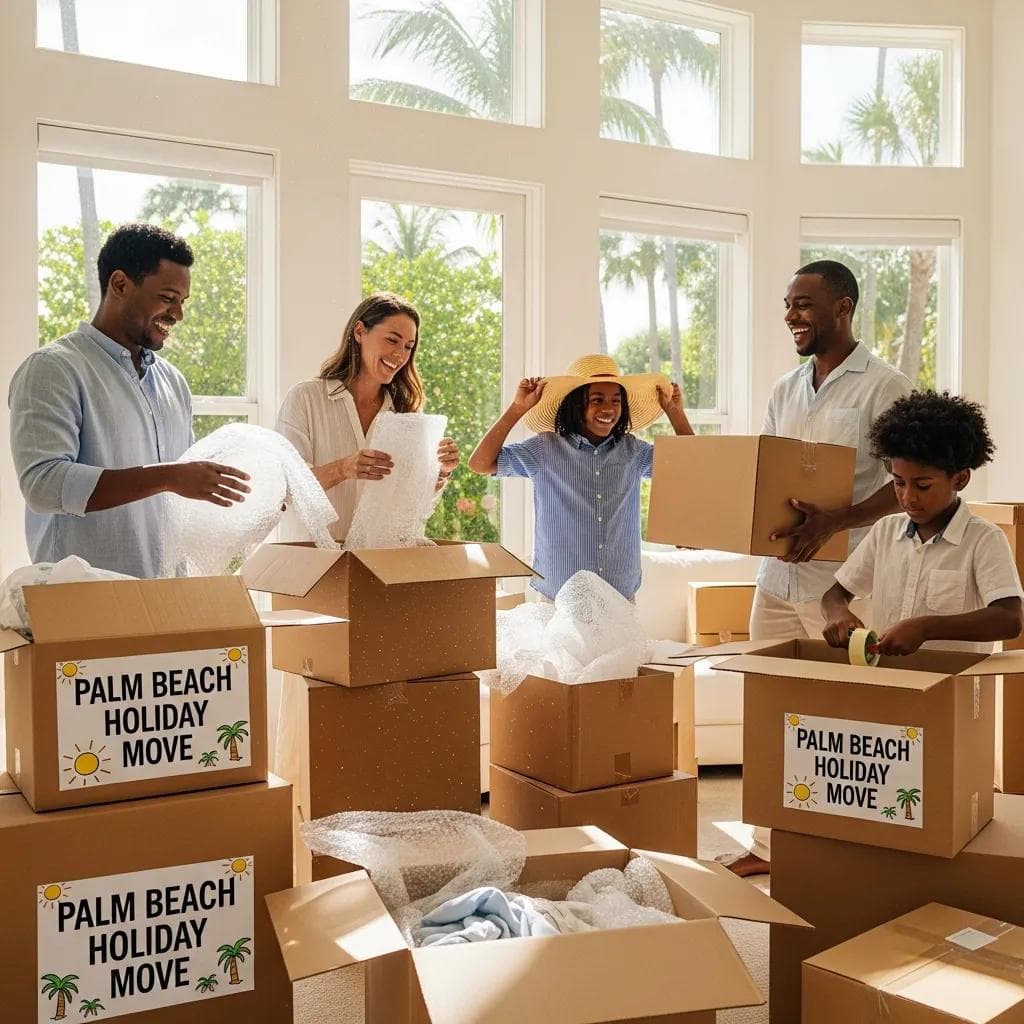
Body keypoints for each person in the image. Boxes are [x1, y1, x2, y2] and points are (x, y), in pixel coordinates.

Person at [726, 259, 913, 878]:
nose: (791, 316)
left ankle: (846, 848)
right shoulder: (785, 388)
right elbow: (767, 474)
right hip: (776, 580)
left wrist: (836, 519)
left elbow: (908, 483)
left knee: (849, 718)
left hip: (844, 586)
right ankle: (765, 847)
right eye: (787, 305)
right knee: (769, 709)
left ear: (843, 306)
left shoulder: (885, 387)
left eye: (803, 304)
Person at [9, 223, 250, 578]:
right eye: (167, 298)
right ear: (120, 284)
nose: (178, 315)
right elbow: (43, 485)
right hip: (82, 597)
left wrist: (243, 493)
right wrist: (168, 477)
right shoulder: (54, 368)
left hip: (167, 593)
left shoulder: (173, 382)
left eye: (182, 302)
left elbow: (184, 491)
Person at [467, 354, 693, 602]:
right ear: (576, 404)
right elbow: (480, 463)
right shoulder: (544, 449)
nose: (608, 408)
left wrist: (675, 414)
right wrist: (518, 408)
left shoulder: (634, 452)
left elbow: (692, 468)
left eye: (616, 400)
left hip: (619, 592)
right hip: (559, 596)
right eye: (597, 400)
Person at [822, 391, 1023, 655]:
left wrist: (925, 628)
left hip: (951, 679)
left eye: (923, 485)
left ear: (960, 479)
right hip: (888, 676)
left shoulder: (983, 539)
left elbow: (1009, 619)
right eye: (899, 483)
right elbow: (835, 595)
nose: (908, 497)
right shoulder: (884, 531)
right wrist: (837, 613)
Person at [275, 292, 459, 541]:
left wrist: (440, 472)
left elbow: (411, 503)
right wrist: (343, 469)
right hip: (312, 558)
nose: (400, 355)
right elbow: (286, 487)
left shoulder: (405, 414)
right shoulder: (305, 398)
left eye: (408, 346)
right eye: (392, 340)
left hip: (379, 558)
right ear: (360, 332)